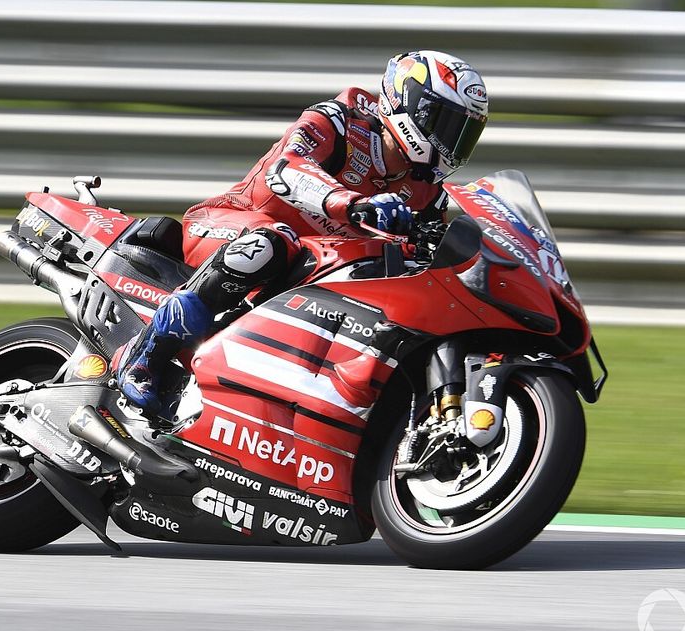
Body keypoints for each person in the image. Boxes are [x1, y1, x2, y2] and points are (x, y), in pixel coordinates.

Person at [117, 50, 489, 417]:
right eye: (447, 125)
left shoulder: (426, 192)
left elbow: (428, 258)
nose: (452, 143)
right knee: (273, 243)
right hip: (232, 224)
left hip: (314, 271)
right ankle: (147, 355)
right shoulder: (339, 121)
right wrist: (352, 203)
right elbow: (286, 170)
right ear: (410, 105)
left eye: (463, 133)